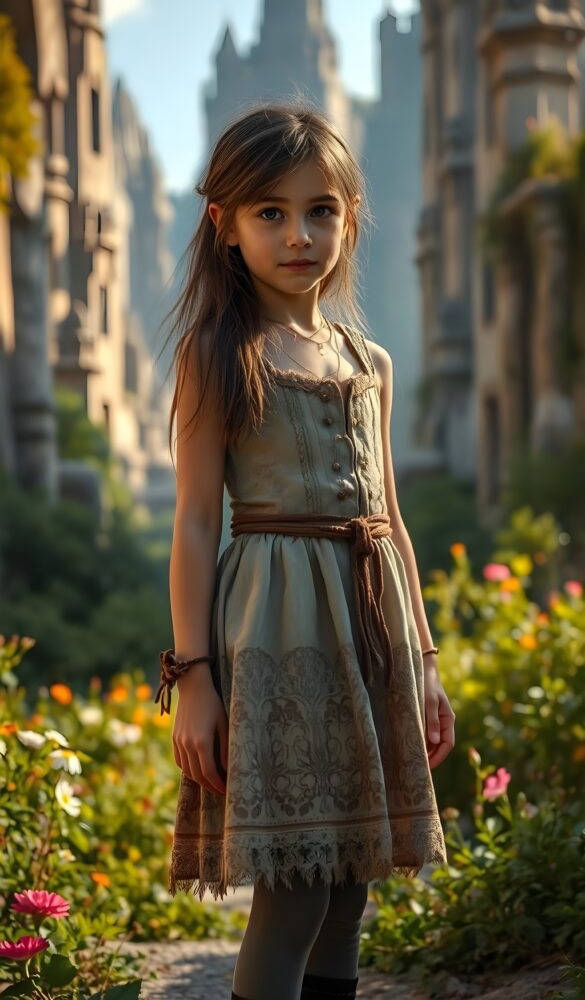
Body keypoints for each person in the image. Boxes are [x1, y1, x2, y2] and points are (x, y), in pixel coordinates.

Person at [155, 98, 456, 1000]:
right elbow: (196, 522)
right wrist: (195, 678)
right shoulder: (219, 353)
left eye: (321, 210)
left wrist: (425, 662)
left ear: (350, 219)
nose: (299, 235)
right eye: (270, 213)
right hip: (279, 632)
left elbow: (390, 519)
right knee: (294, 889)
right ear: (225, 225)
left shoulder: (371, 362)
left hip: (373, 633)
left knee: (351, 879)